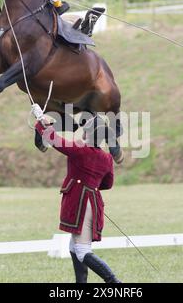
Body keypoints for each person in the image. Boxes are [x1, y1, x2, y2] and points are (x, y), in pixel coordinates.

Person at [32, 105, 121, 283]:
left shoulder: (80, 151)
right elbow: (108, 183)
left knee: (82, 251)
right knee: (74, 247)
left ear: (88, 134)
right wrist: (91, 183)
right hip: (93, 201)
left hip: (80, 202)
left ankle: (114, 282)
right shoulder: (106, 158)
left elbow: (52, 138)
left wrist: (41, 120)